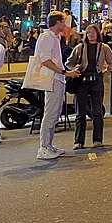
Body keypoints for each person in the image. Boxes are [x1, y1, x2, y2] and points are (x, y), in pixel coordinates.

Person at [34, 11, 80, 160]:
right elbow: (45, 60)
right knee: (51, 113)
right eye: (64, 21)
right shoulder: (47, 37)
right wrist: (64, 72)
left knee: (55, 112)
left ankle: (49, 145)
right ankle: (44, 147)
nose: (66, 24)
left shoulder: (54, 37)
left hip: (57, 78)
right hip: (53, 79)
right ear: (58, 22)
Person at [65, 23, 112, 149]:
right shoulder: (80, 47)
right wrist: (75, 68)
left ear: (97, 34)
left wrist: (104, 74)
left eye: (93, 32)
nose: (90, 35)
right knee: (80, 113)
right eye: (88, 32)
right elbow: (68, 63)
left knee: (97, 112)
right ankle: (78, 141)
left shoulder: (103, 48)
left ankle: (97, 140)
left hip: (96, 81)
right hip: (81, 81)